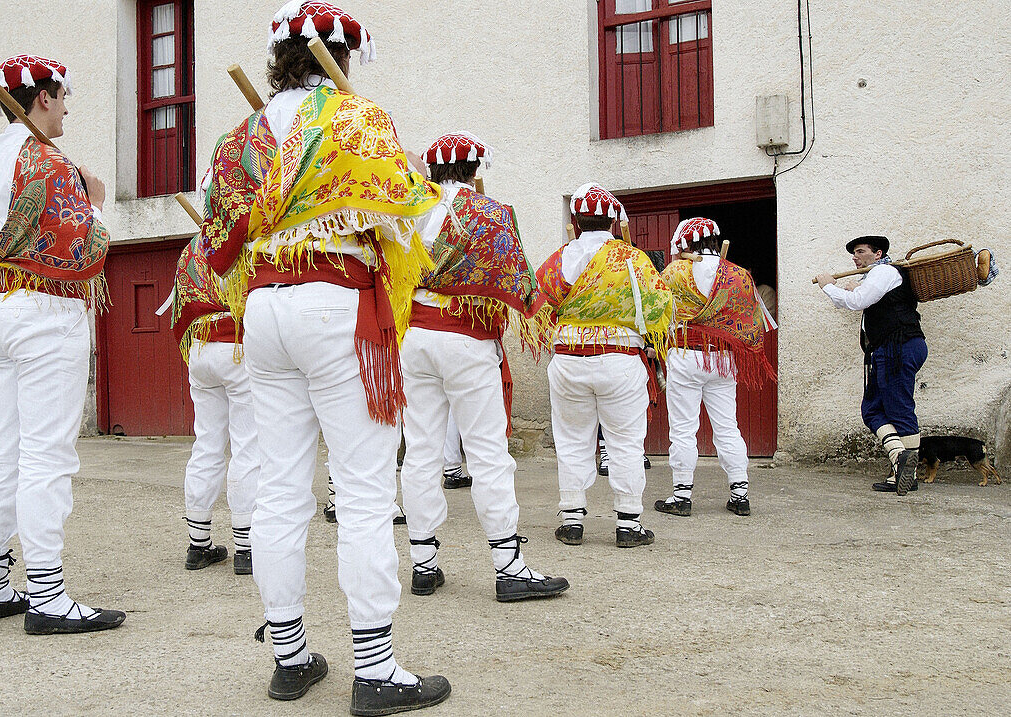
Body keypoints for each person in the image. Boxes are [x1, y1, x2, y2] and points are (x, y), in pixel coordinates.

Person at [199, 4, 449, 713]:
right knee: (365, 490)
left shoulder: (239, 137)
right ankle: (375, 668)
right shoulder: (354, 117)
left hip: (264, 309)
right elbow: (413, 217)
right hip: (336, 303)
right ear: (341, 55)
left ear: (282, 58)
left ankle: (289, 655)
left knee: (280, 488)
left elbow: (217, 235)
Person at [0, 55, 125, 634]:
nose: (68, 105)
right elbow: (87, 250)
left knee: (1, 447)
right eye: (63, 95)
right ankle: (47, 597)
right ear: (42, 98)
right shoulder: (46, 162)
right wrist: (95, 200)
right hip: (44, 311)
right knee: (47, 452)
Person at [398, 131, 569, 601]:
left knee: (421, 451)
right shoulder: (492, 214)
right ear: (475, 171)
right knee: (488, 452)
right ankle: (508, 565)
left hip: (414, 336)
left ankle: (423, 562)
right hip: (466, 338)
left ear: (433, 172)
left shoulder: (409, 209)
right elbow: (516, 280)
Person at [537, 183, 673, 548]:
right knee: (626, 443)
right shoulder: (634, 259)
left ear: (576, 220)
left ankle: (571, 520)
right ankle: (628, 524)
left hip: (567, 358)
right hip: (619, 357)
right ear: (613, 220)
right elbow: (661, 309)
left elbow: (538, 304)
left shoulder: (557, 259)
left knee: (571, 441)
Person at [655, 218, 776, 517]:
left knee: (683, 429)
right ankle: (740, 494)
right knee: (727, 426)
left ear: (685, 243)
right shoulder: (737, 274)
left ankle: (681, 496)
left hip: (685, 354)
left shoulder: (674, 272)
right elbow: (749, 319)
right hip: (722, 358)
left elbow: (659, 311)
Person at [167, 219, 259, 575]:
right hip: (236, 346)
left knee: (206, 444)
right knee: (247, 445)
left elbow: (182, 302)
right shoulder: (246, 238)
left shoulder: (193, 247)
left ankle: (198, 544)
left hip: (201, 347)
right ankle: (245, 548)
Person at [816, 235, 927, 495]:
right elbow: (859, 297)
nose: (855, 257)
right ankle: (901, 464)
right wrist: (849, 288)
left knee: (899, 409)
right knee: (873, 409)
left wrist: (827, 286)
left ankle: (904, 470)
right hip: (889, 349)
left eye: (860, 251)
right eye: (854, 253)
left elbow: (858, 302)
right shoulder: (874, 276)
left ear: (878, 254)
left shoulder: (884, 272)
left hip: (898, 347)